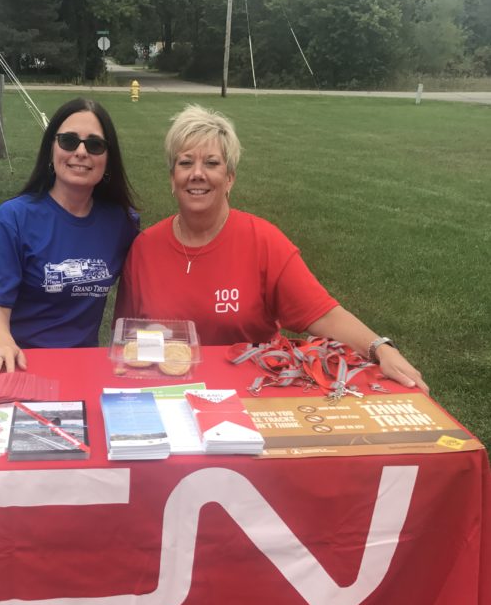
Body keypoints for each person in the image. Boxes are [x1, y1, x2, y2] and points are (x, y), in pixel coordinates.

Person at [114, 104, 428, 393]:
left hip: (253, 395)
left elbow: (323, 313)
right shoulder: (144, 249)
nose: (197, 173)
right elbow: (126, 343)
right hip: (167, 394)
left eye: (211, 163)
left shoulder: (263, 241)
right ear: (172, 178)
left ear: (230, 179)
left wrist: (380, 348)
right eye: (185, 163)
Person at [0, 98, 138, 374]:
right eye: (69, 141)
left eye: (95, 145)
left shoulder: (122, 222)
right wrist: (1, 341)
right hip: (16, 363)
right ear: (51, 149)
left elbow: (144, 287)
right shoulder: (13, 218)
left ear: (108, 159)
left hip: (81, 368)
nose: (81, 152)